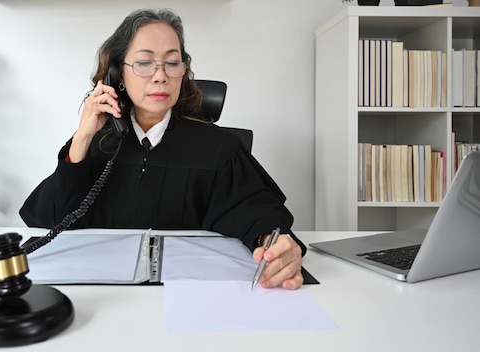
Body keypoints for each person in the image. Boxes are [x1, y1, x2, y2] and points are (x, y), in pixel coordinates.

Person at [20, 8, 306, 290]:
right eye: (144, 63)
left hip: (190, 296)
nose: (160, 76)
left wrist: (271, 240)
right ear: (118, 74)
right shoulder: (97, 145)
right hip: (100, 299)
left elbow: (254, 208)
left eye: (172, 63)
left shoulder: (219, 147)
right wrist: (82, 137)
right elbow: (48, 222)